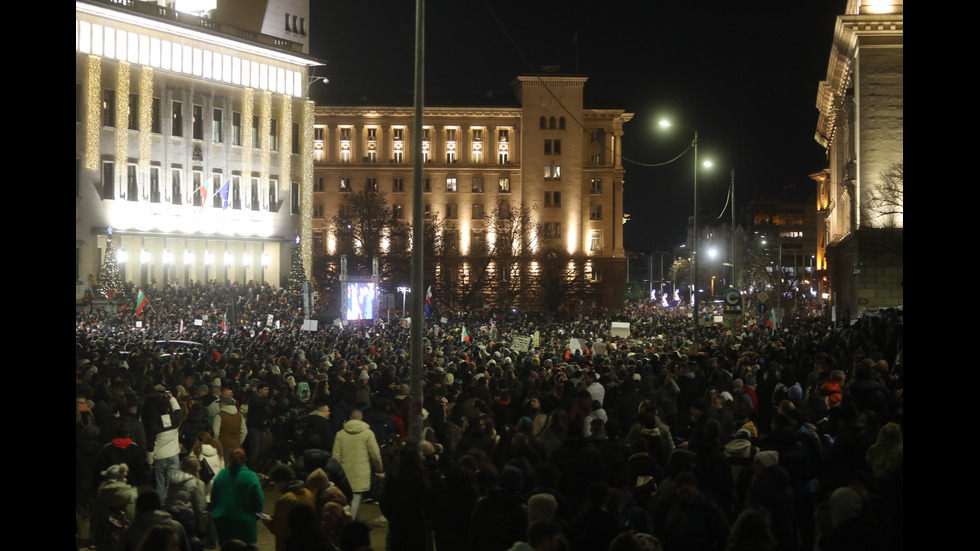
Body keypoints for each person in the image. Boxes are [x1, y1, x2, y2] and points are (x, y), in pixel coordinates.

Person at [332, 408, 383, 520]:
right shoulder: (368, 434)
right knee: (356, 498)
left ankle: (355, 522)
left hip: (344, 473)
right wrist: (379, 468)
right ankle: (352, 523)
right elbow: (375, 455)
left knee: (350, 499)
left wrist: (336, 473)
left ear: (350, 418)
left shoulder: (340, 434)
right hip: (361, 472)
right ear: (361, 418)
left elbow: (336, 457)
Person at [211, 448, 264, 545]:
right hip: (245, 522)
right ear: (245, 459)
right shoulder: (251, 476)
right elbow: (258, 500)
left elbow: (213, 498)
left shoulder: (221, 474)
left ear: (230, 459)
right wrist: (256, 516)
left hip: (223, 521)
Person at [90, 464, 138, 551]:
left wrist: (101, 544)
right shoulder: (133, 496)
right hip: (128, 541)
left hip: (108, 543)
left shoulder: (101, 498)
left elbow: (96, 523)